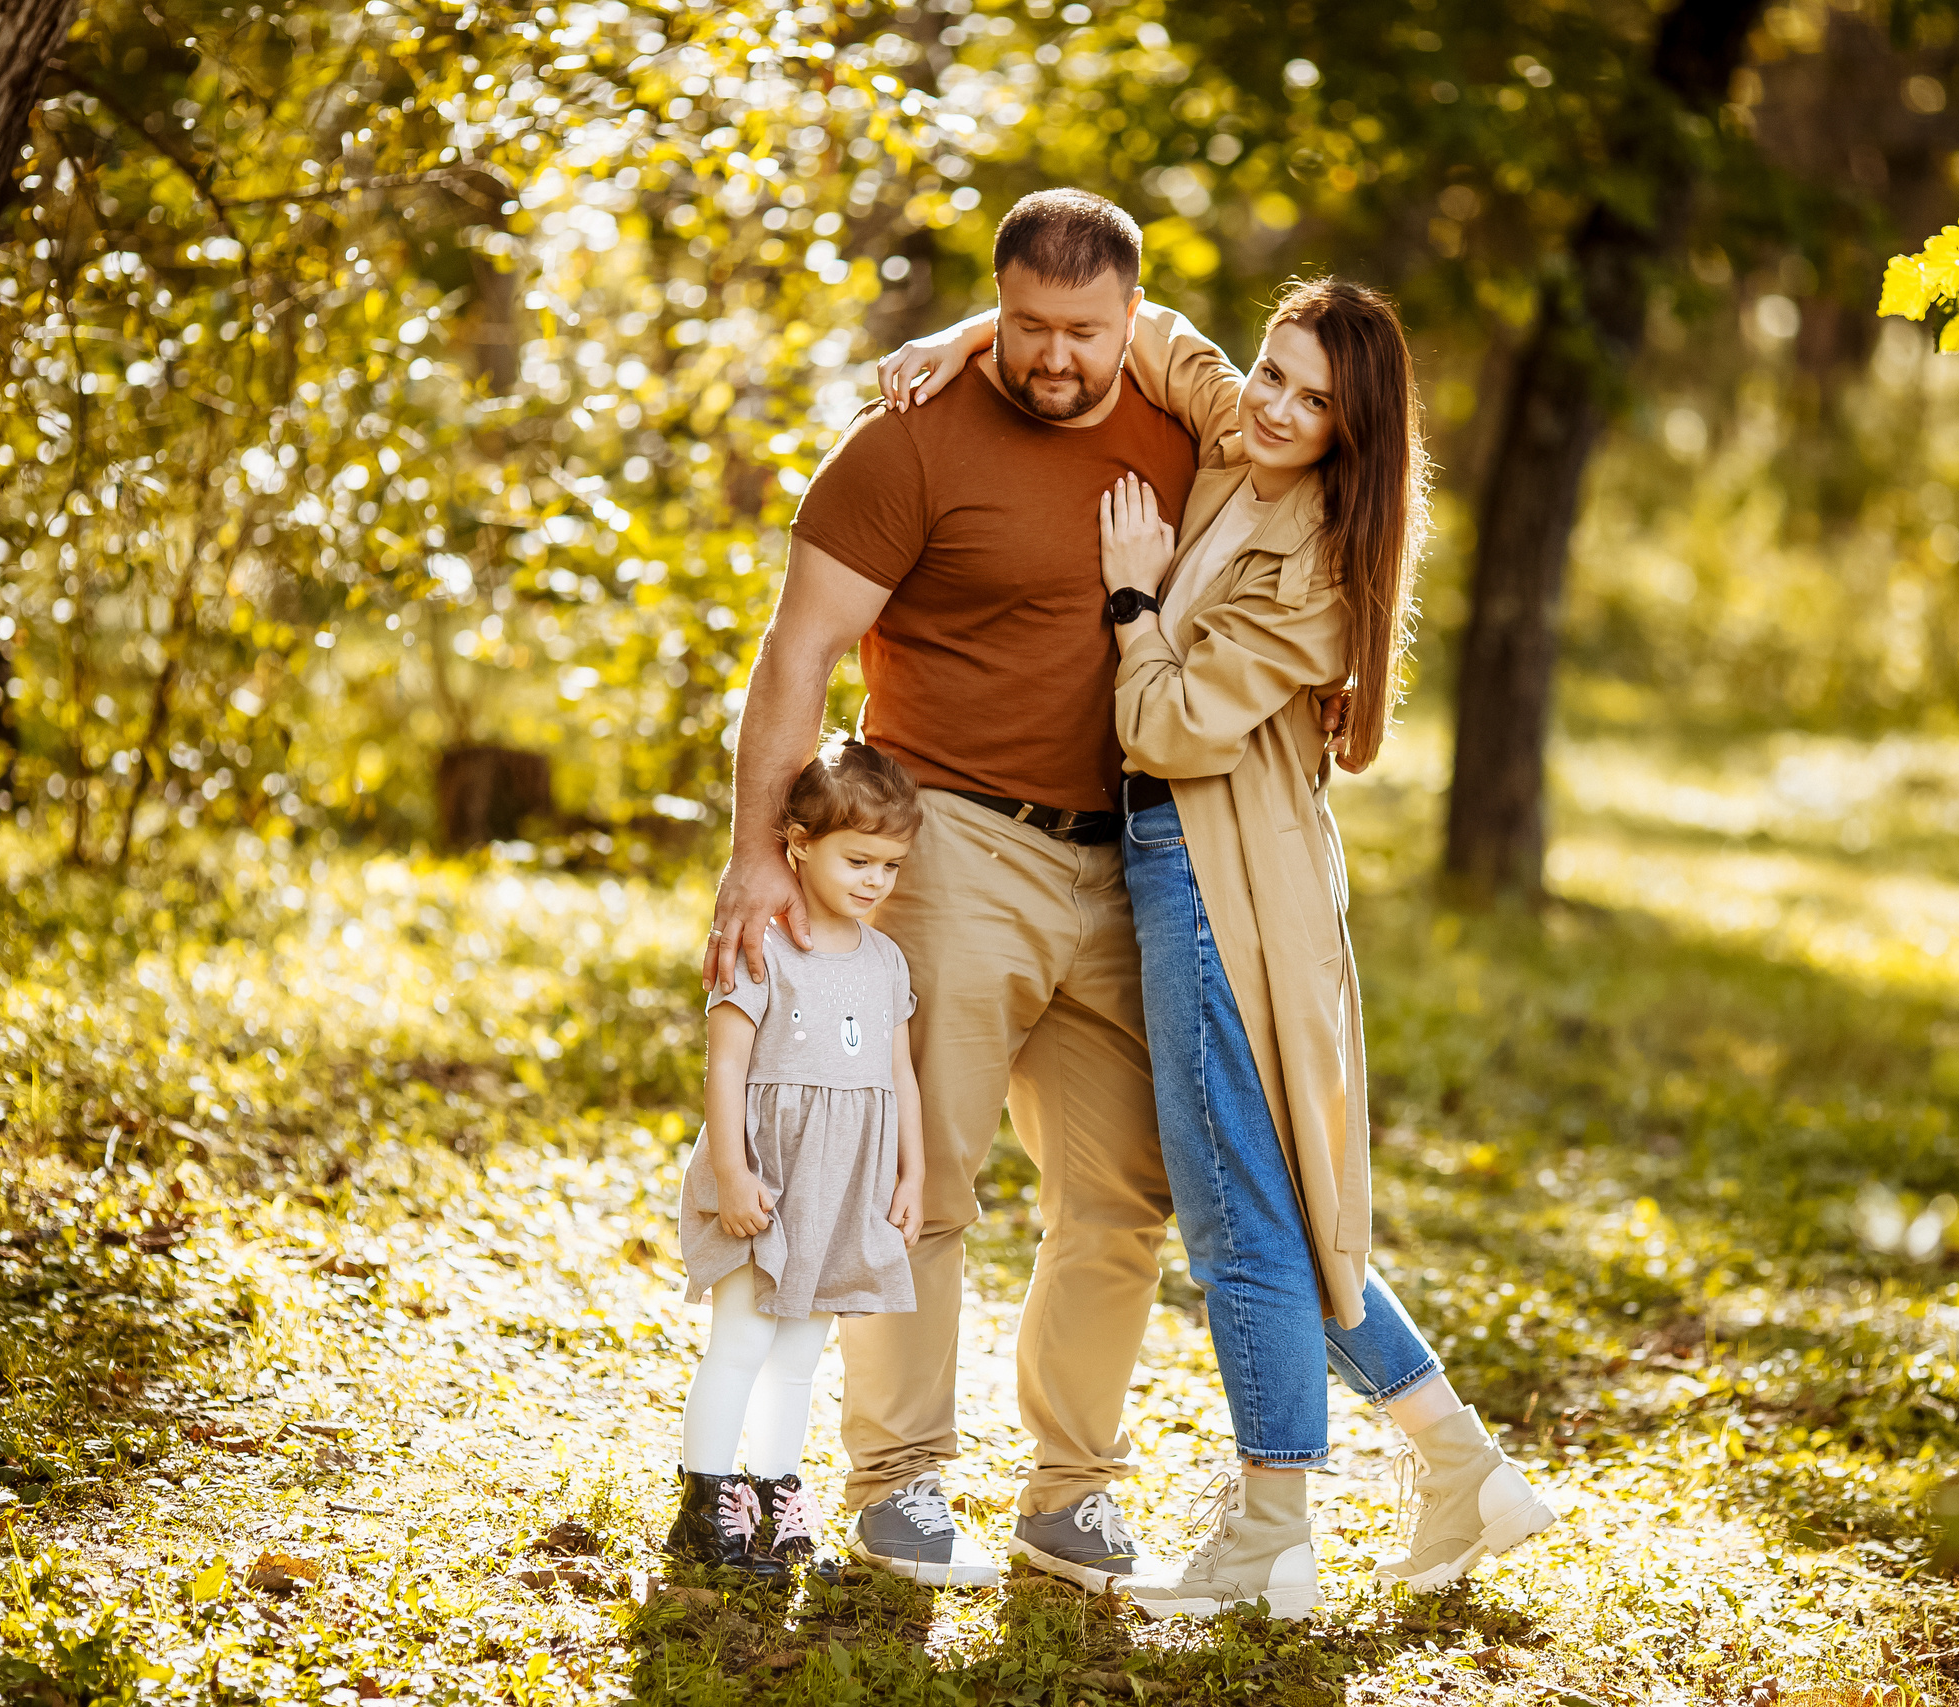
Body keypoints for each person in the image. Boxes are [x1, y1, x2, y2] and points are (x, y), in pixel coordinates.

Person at [877, 280, 1556, 1618]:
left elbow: (1174, 728)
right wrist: (961, 337)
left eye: (1314, 402)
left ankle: (1272, 1534)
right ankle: (1460, 1463)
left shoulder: (1321, 562)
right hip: (1168, 865)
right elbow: (1126, 321)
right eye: (1272, 371)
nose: (1277, 405)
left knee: (1246, 1217)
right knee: (1281, 1201)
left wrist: (1133, 600)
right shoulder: (1235, 433)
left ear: (1355, 435)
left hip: (1216, 881)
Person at [699, 188, 1244, 1591]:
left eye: (1086, 332)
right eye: (1024, 324)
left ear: (1136, 320)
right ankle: (900, 1480)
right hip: (953, 838)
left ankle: (1071, 1495)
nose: (1054, 357)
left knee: (1123, 1193)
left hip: (1130, 853)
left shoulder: (1185, 421)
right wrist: (760, 848)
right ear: (992, 303)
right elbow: (798, 651)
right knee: (918, 1172)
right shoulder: (908, 439)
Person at [667, 740, 927, 1580]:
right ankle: (707, 1504)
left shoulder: (886, 960)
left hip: (843, 1188)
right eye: (858, 859)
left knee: (801, 1356)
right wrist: (735, 1174)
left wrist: (910, 1174)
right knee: (741, 1338)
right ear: (798, 842)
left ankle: (777, 1493)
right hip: (769, 1175)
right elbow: (728, 1066)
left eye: (890, 864)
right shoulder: (762, 945)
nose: (874, 880)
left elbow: (899, 1077)